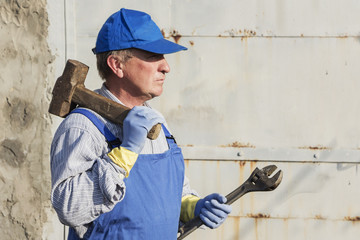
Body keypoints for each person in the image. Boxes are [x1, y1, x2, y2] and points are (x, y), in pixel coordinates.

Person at [50, 8, 231, 239]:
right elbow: (69, 208)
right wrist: (124, 153)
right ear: (117, 64)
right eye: (153, 55)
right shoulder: (83, 127)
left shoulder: (157, 125)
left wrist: (193, 207)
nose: (166, 67)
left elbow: (166, 197)